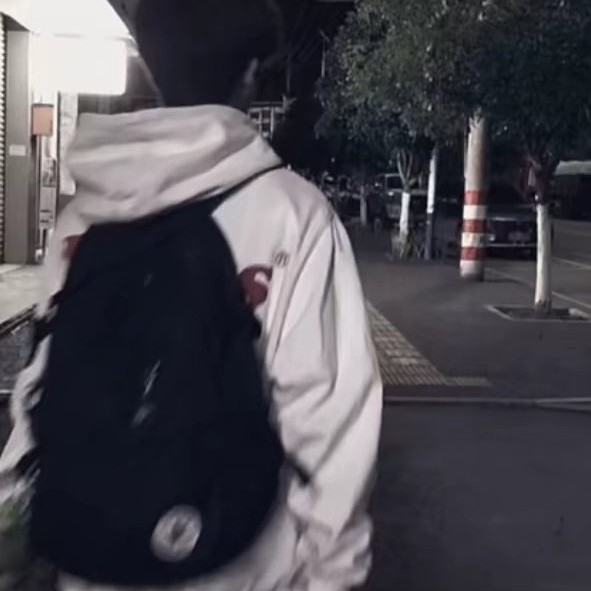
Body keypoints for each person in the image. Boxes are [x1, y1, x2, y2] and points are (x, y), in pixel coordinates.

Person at [0, 0, 382, 590]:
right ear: (251, 74)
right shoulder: (291, 214)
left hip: (90, 561)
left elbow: (42, 379)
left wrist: (14, 516)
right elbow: (329, 420)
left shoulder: (85, 217)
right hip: (242, 562)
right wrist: (335, 575)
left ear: (151, 64)